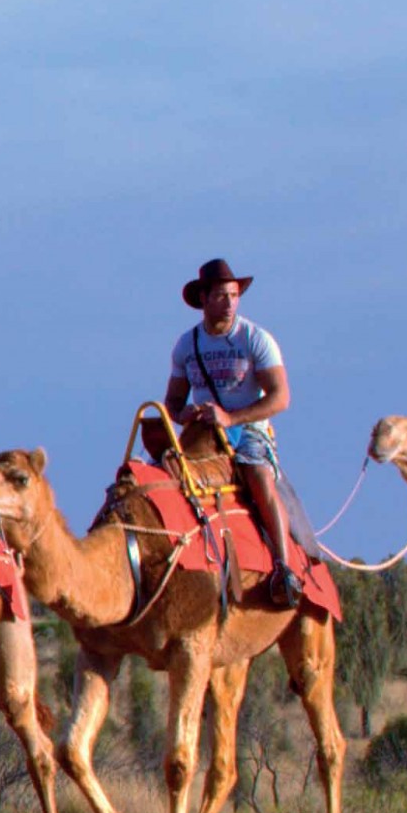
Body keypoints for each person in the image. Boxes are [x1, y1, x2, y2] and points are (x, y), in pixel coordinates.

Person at [163, 258, 302, 608]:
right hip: (201, 435)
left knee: (257, 475)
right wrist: (185, 414)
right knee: (160, 477)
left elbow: (280, 398)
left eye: (234, 295)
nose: (229, 302)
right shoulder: (186, 345)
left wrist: (231, 417)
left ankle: (284, 569)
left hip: (249, 431)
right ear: (204, 299)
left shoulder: (255, 339)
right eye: (222, 295)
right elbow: (172, 403)